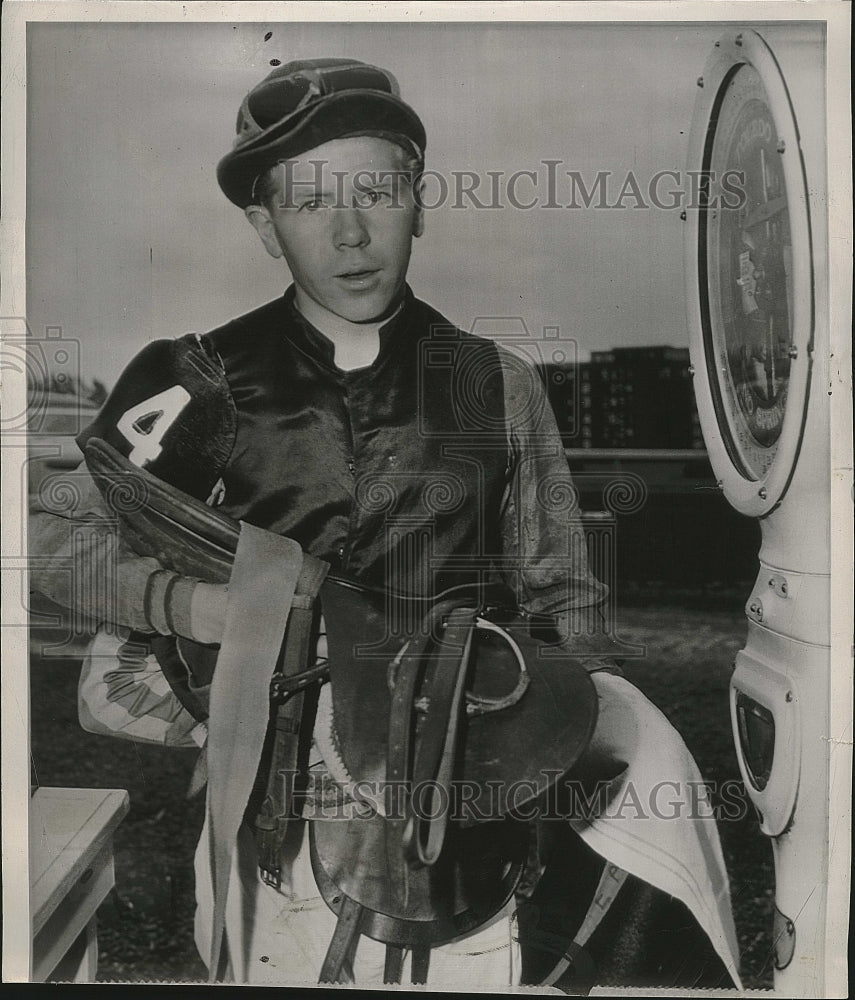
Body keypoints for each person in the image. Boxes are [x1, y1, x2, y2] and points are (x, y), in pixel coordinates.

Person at [29, 58, 742, 989]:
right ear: (263, 224)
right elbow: (53, 536)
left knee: (661, 797)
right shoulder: (196, 376)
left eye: (377, 191)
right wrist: (197, 607)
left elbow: (559, 579)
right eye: (311, 202)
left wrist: (580, 693)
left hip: (479, 712)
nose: (353, 232)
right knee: (287, 943)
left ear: (419, 200)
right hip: (291, 730)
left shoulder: (495, 380)